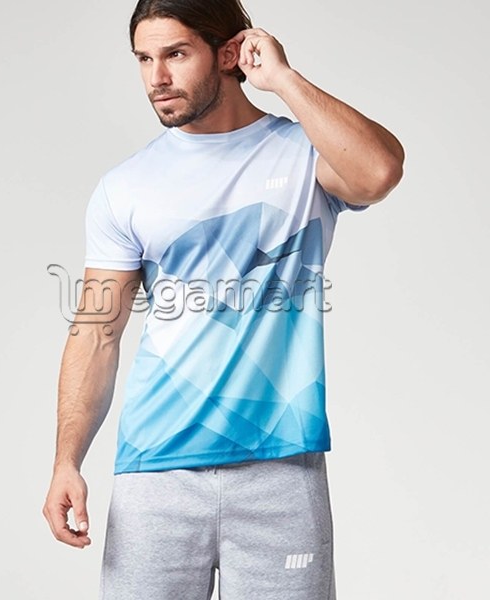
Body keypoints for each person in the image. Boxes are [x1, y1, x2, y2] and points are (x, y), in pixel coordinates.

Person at [42, 1, 404, 598]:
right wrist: (66, 461)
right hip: (154, 474)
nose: (157, 77)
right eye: (143, 59)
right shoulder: (125, 187)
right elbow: (97, 331)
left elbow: (380, 172)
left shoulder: (304, 155)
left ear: (229, 52)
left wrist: (283, 79)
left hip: (281, 470)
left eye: (176, 54)